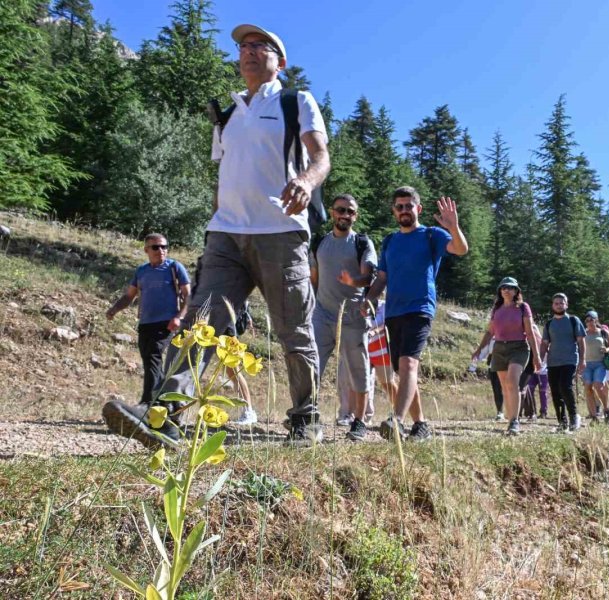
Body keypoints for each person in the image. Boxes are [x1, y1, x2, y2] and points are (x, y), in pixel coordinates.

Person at [104, 24, 332, 448]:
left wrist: (305, 181)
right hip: (226, 235)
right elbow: (223, 178)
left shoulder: (294, 101)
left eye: (258, 45)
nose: (247, 51)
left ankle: (306, 418)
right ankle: (163, 415)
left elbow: (321, 156)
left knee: (293, 329)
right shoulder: (226, 115)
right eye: (242, 46)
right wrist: (213, 226)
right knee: (198, 325)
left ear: (279, 61)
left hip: (280, 232)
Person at [364, 187, 468, 442]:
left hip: (420, 309)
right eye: (399, 206)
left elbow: (461, 248)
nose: (404, 211)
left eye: (409, 206)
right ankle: (421, 424)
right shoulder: (390, 241)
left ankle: (396, 421)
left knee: (409, 364)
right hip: (393, 312)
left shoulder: (432, 235)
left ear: (418, 209)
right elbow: (383, 278)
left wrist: (454, 226)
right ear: (394, 211)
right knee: (402, 370)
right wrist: (370, 298)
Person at [104, 234, 191, 446]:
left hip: (167, 322)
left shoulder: (174, 267)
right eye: (155, 247)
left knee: (153, 357)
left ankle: (148, 404)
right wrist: (114, 309)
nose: (161, 250)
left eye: (164, 247)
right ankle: (162, 411)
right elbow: (129, 295)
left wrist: (179, 317)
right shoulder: (142, 271)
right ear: (146, 250)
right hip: (145, 322)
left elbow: (188, 295)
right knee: (149, 361)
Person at [310, 194, 377, 442]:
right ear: (332, 212)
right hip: (322, 314)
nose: (345, 215)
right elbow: (313, 277)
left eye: (350, 211)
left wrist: (353, 281)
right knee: (311, 365)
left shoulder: (361, 242)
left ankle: (359, 422)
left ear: (355, 216)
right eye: (341, 210)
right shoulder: (320, 243)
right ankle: (307, 416)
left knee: (358, 370)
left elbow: (368, 276)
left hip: (353, 316)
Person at [472, 277, 541, 435]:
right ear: (500, 291)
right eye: (503, 287)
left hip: (519, 348)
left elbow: (530, 333)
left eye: (510, 287)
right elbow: (490, 332)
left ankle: (514, 421)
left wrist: (536, 356)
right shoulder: (497, 309)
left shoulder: (523, 307)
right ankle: (511, 421)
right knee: (505, 387)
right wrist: (478, 350)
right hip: (499, 348)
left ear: (516, 291)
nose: (506, 290)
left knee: (512, 382)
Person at [539, 293, 587, 433]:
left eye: (562, 303)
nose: (559, 305)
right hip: (553, 362)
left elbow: (581, 341)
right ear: (552, 305)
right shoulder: (549, 324)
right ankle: (562, 422)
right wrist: (539, 359)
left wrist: (583, 360)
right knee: (555, 391)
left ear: (566, 304)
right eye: (556, 303)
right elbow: (544, 344)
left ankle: (574, 417)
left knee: (565, 386)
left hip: (570, 360)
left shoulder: (573, 320)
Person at [581, 311, 609, 425]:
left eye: (591, 320)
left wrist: (607, 349)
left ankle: (606, 409)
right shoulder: (583, 333)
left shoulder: (603, 332)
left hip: (599, 363)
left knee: (598, 385)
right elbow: (579, 348)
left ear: (596, 320)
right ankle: (594, 417)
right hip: (586, 364)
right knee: (588, 389)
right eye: (587, 320)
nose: (589, 322)